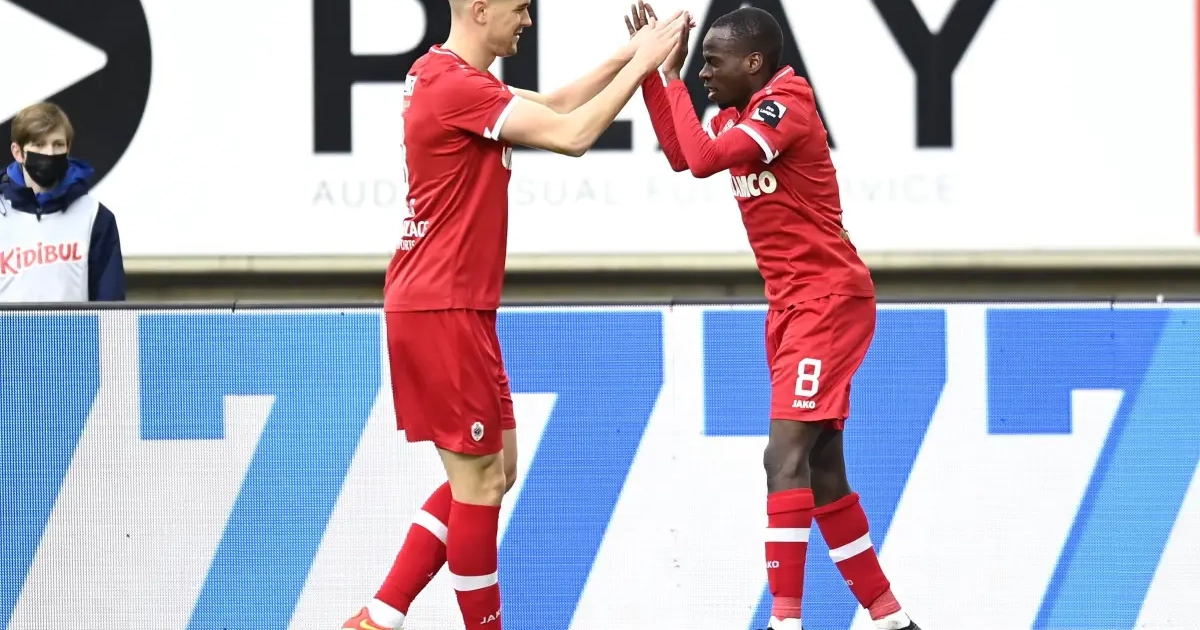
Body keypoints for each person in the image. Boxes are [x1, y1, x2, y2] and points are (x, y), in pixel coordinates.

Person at [341, 2, 685, 629]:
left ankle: (379, 616)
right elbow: (571, 136)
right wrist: (642, 66)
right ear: (481, 9)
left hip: (458, 306)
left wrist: (625, 55)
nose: (527, 19)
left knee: (496, 470)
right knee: (478, 486)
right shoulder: (456, 86)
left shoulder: (449, 76)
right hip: (441, 306)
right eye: (520, 7)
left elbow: (555, 104)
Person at [633, 4, 920, 630]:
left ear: (754, 62)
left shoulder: (785, 104)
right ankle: (889, 616)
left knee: (781, 458)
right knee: (823, 471)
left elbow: (703, 160)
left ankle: (784, 620)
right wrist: (659, 76)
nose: (704, 73)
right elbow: (683, 155)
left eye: (713, 62)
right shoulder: (737, 114)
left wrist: (670, 75)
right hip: (790, 307)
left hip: (827, 303)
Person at [0, 102, 125, 302]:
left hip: (75, 325)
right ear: (18, 152)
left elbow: (111, 306)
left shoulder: (95, 216)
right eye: (39, 145)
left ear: (68, 149)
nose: (50, 153)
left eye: (58, 144)